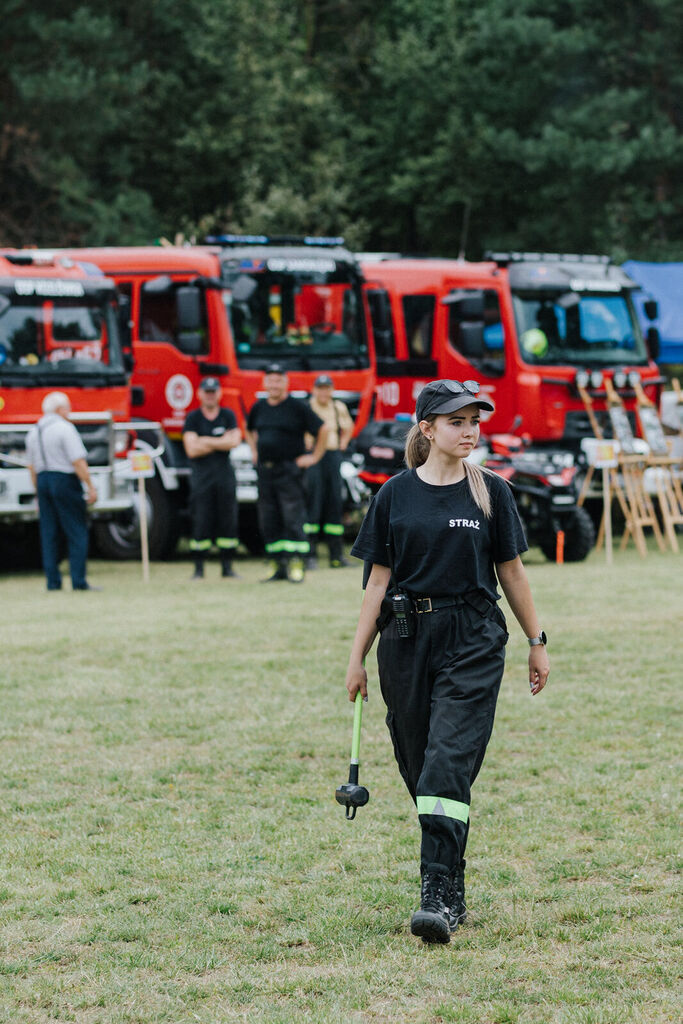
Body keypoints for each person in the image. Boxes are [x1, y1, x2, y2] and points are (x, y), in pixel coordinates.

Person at [345, 379, 550, 944]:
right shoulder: (393, 496)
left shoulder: (493, 493)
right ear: (428, 428)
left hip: (474, 637)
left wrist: (538, 639)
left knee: (445, 764)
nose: (469, 431)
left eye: (474, 421)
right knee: (419, 767)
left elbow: (512, 572)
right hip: (406, 639)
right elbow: (376, 582)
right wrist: (357, 657)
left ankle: (435, 893)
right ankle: (453, 880)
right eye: (457, 422)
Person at [246, 363, 328, 583]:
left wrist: (314, 457)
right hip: (265, 471)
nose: (274, 384)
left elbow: (322, 429)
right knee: (269, 519)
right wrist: (254, 450)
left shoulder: (297, 407)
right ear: (264, 383)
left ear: (285, 382)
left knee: (293, 518)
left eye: (278, 379)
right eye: (270, 379)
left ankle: (296, 564)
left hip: (289, 471)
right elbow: (249, 429)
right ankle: (277, 565)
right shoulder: (258, 407)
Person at [25, 391, 99, 591]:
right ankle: (78, 580)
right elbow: (78, 461)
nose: (70, 412)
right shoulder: (65, 428)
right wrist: (90, 486)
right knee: (76, 530)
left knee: (48, 533)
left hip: (42, 480)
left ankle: (53, 581)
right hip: (64, 480)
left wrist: (37, 491)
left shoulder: (34, 431)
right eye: (67, 408)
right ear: (60, 409)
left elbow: (31, 466)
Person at [182, 377, 242, 579]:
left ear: (219, 393)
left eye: (213, 391)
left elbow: (234, 441)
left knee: (228, 520)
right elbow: (191, 449)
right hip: (202, 478)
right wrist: (220, 441)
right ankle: (199, 569)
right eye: (206, 392)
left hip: (224, 477)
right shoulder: (193, 418)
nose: (210, 395)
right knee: (201, 520)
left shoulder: (227, 415)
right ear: (199, 394)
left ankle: (227, 567)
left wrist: (204, 440)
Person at [304, 374, 355, 569]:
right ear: (314, 390)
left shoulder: (337, 407)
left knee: (334, 502)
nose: (324, 392)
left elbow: (348, 427)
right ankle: (310, 555)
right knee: (313, 503)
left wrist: (343, 442)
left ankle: (336, 556)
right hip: (315, 457)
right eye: (320, 388)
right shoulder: (308, 407)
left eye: (327, 388)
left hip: (333, 457)